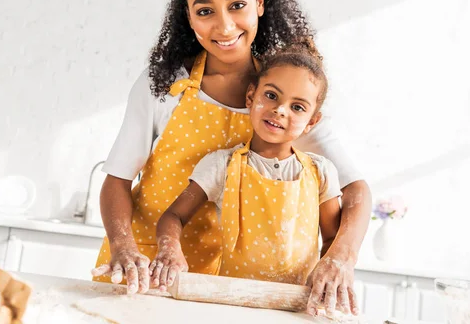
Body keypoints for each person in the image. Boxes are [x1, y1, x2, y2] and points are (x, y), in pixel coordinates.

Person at [91, 0, 371, 316]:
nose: (223, 26)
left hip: (226, 287)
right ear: (188, 17)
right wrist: (123, 246)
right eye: (205, 11)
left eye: (236, 5)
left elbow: (357, 192)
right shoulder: (164, 87)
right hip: (145, 272)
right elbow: (117, 179)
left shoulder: (283, 96)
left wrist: (340, 257)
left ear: (259, 1)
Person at [150, 44, 352, 316]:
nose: (280, 110)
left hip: (298, 309)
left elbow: (331, 241)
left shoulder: (321, 172)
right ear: (250, 96)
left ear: (312, 122)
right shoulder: (222, 165)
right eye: (271, 95)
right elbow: (173, 216)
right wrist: (170, 249)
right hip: (233, 308)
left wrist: (326, 278)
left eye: (297, 107)